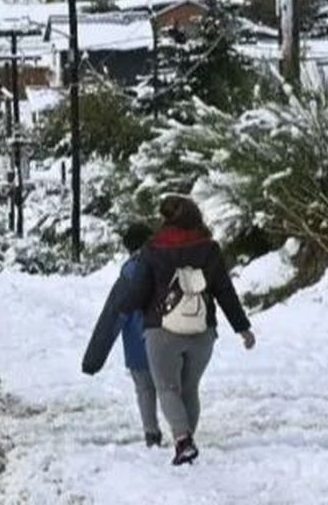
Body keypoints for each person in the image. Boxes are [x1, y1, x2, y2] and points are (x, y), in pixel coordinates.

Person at [120, 195, 256, 466]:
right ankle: (188, 439)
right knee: (189, 388)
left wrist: (126, 306)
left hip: (162, 330)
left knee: (167, 388)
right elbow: (224, 291)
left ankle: (183, 440)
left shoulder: (152, 248)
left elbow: (138, 292)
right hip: (202, 330)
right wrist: (242, 327)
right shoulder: (210, 248)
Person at [82, 222, 161, 447]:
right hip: (169, 337)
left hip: (138, 342)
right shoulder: (167, 263)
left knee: (145, 389)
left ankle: (151, 433)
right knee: (170, 388)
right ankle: (182, 432)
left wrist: (93, 360)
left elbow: (112, 316)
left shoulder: (129, 272)